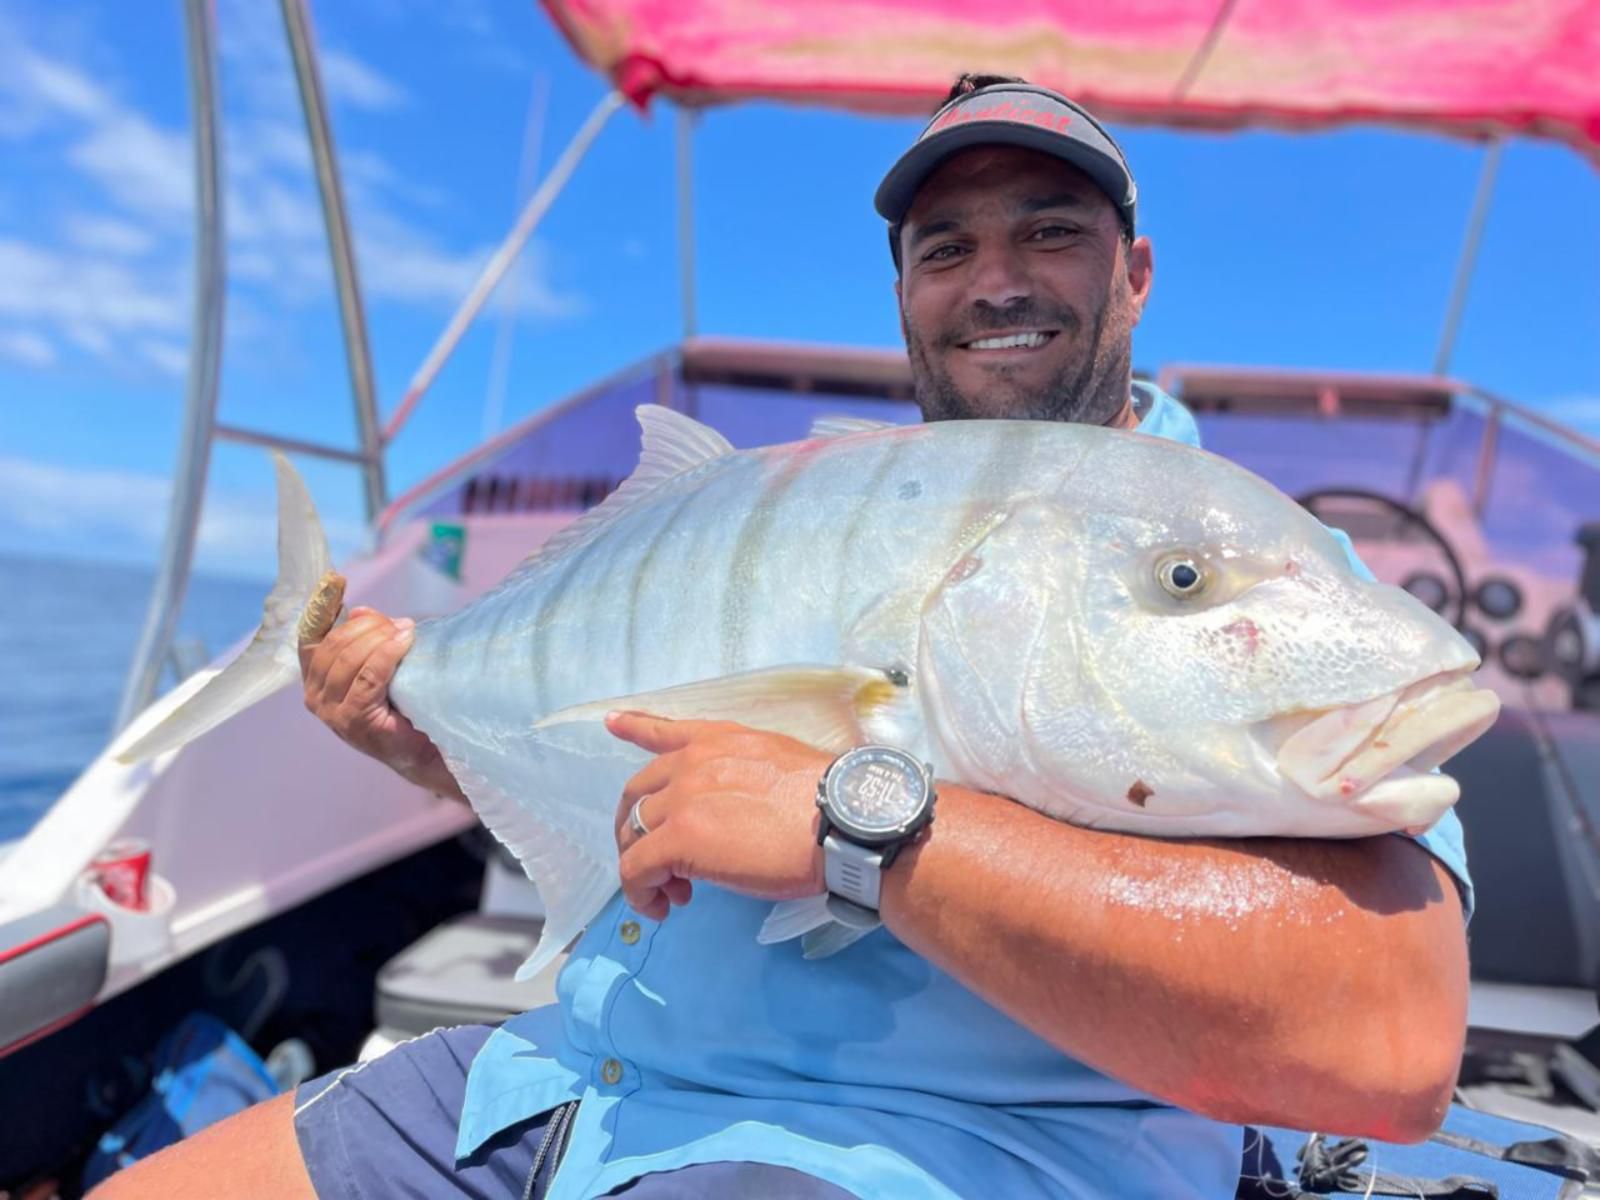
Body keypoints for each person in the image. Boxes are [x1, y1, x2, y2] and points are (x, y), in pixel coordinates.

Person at [93, 75, 1472, 1200]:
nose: (995, 278)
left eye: (1049, 229)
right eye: (947, 248)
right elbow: (638, 787)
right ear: (903, 293)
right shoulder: (783, 504)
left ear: (1135, 272)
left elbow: (1393, 1045)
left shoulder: (1267, 556)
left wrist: (858, 821)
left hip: (926, 1149)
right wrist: (432, 734)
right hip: (569, 1079)